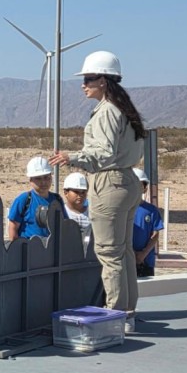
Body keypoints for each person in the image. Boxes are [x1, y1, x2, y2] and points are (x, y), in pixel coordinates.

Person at [50, 50, 146, 333]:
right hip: (128, 181)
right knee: (124, 251)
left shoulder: (106, 112)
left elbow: (102, 154)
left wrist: (73, 158)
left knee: (108, 253)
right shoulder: (124, 110)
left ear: (104, 80)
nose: (84, 84)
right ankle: (127, 312)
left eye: (89, 78)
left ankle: (115, 314)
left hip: (109, 182)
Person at [7, 157, 66, 240]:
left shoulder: (57, 200)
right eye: (38, 178)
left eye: (46, 177)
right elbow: (13, 228)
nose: (43, 182)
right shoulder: (24, 199)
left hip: (52, 249)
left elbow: (64, 225)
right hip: (29, 249)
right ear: (31, 180)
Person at [132, 168, 164, 278]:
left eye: (140, 186)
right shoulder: (122, 210)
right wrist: (131, 253)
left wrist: (143, 254)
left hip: (146, 261)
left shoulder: (151, 210)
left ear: (145, 189)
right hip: (126, 260)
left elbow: (155, 234)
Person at [62, 173, 92, 243]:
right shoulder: (61, 213)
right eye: (76, 192)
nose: (80, 195)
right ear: (66, 193)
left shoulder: (93, 212)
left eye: (83, 192)